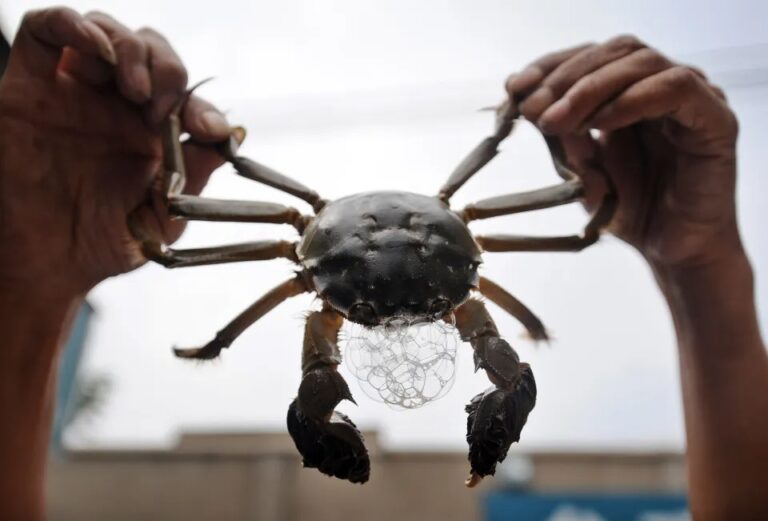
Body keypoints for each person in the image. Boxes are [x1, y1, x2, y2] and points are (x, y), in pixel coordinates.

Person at [0, 7, 764, 521]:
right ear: (314, 279)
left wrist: (699, 264)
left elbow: (575, 218)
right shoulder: (345, 253)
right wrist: (32, 266)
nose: (398, 322)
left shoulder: (361, 271)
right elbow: (577, 220)